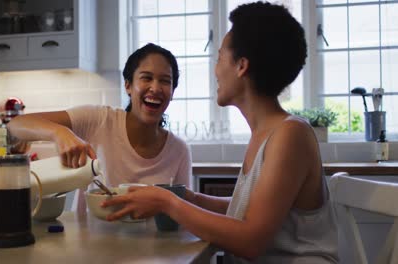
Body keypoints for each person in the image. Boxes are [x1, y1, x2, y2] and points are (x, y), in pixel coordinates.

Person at [103, 2, 338, 263]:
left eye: (219, 58)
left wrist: (167, 203)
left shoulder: (290, 136)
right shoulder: (268, 134)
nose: (215, 71)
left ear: (241, 66)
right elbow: (253, 212)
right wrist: (189, 198)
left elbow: (250, 240)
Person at [7, 43, 191, 193]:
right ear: (128, 85)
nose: (156, 88)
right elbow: (16, 125)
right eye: (146, 78)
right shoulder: (98, 120)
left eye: (165, 81)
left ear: (173, 92)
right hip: (90, 237)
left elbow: (181, 215)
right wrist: (59, 132)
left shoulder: (179, 151)